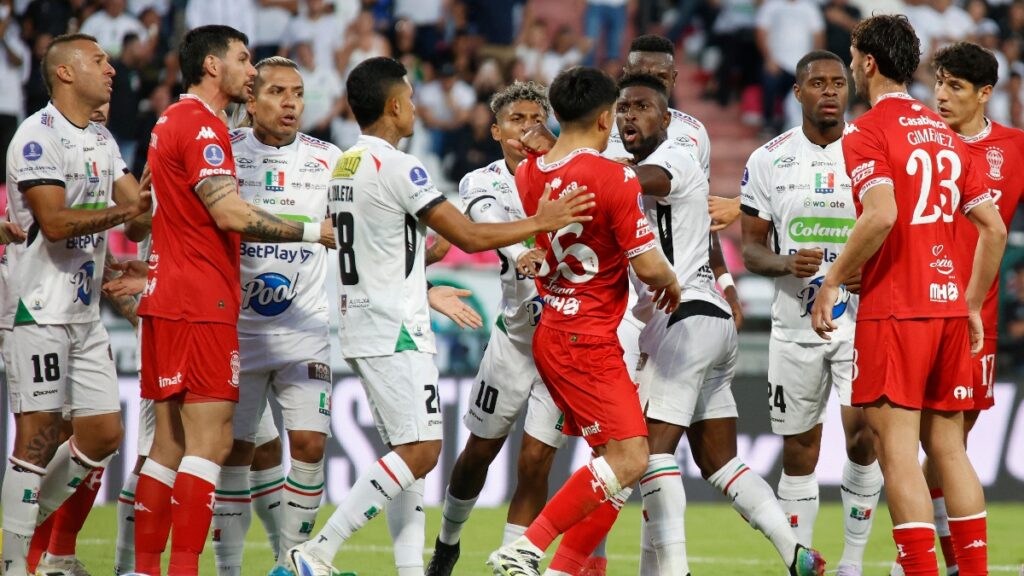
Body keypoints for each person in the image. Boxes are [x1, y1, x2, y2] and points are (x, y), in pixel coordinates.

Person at [285, 56, 594, 576]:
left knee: (409, 453)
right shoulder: (406, 166)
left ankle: (411, 570)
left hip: (375, 319)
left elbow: (373, 242)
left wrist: (423, 279)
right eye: (410, 94)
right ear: (395, 105)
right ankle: (317, 551)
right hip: (399, 328)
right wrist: (542, 223)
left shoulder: (346, 163)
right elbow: (470, 236)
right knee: (425, 450)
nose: (416, 104)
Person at [129, 25, 335, 575]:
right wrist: (315, 233)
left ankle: (150, 568)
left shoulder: (171, 120)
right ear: (215, 66)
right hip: (204, 304)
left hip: (168, 297)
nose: (252, 70)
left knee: (169, 446)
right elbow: (229, 214)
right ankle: (188, 570)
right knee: (211, 446)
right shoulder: (205, 130)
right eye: (245, 61)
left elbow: (155, 212)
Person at [811, 15, 1007, 576]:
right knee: (948, 450)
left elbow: (881, 214)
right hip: (950, 308)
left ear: (868, 63)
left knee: (896, 451)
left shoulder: (868, 131)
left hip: (899, 309)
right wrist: (971, 301)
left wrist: (831, 279)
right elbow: (991, 228)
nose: (850, 69)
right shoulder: (945, 131)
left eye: (852, 59)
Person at [611, 72, 826, 576]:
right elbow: (699, 236)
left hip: (685, 321)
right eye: (623, 108)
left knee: (650, 453)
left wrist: (572, 162)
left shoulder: (675, 158)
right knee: (719, 462)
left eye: (641, 108)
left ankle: (674, 571)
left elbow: (649, 183)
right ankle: (794, 551)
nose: (629, 116)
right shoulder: (630, 165)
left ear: (666, 119)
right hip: (706, 320)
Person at [487, 66, 680, 576]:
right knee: (631, 459)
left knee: (612, 469)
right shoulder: (612, 176)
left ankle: (566, 570)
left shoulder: (530, 173)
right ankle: (527, 546)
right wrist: (673, 281)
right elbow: (648, 265)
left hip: (555, 326)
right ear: (604, 117)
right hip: (587, 338)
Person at [0, 32, 152, 576]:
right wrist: (121, 214)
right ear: (65, 73)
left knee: (104, 433)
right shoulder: (36, 138)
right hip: (36, 309)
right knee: (38, 440)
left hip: (84, 314)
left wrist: (147, 204)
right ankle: (16, 564)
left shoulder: (103, 141)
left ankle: (22, 529)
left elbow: (136, 221)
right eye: (99, 60)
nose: (110, 68)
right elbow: (56, 223)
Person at [740, 50, 881, 576]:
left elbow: (894, 228)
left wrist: (875, 268)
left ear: (849, 91)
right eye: (817, 83)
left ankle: (851, 563)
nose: (829, 91)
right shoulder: (768, 159)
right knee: (800, 448)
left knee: (864, 435)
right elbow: (751, 250)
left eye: (838, 82)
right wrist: (782, 262)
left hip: (862, 322)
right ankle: (801, 561)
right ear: (797, 93)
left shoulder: (871, 150)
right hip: (794, 326)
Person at [426, 81, 568, 576]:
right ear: (495, 131)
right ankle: (448, 541)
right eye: (516, 120)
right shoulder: (479, 180)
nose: (527, 128)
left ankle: (515, 562)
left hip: (563, 341)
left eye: (536, 119)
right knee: (479, 452)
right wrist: (520, 251)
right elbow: (485, 219)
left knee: (536, 460)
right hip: (514, 340)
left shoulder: (569, 172)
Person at [207, 55, 343, 576]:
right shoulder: (225, 154)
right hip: (238, 331)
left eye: (298, 93)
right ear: (251, 98)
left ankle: (291, 564)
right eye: (277, 93)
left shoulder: (328, 158)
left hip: (305, 329)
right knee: (234, 453)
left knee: (309, 444)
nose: (290, 104)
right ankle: (229, 570)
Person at [894, 40, 1024, 576]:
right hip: (919, 308)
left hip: (978, 319)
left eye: (954, 87)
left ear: (985, 94)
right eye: (938, 84)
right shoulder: (923, 143)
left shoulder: (1015, 147)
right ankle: (930, 563)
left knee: (951, 444)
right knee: (926, 442)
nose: (940, 96)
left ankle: (936, 560)